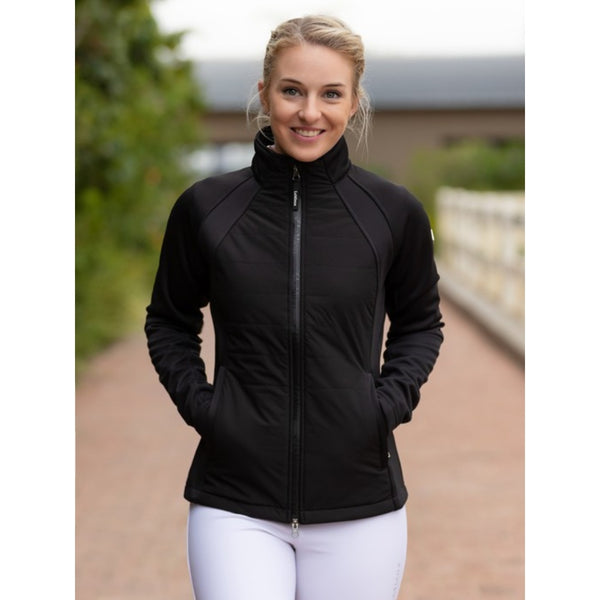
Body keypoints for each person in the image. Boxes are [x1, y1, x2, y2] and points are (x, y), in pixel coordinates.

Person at [145, 15, 444, 600]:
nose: (310, 113)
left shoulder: (392, 212)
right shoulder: (207, 208)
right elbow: (169, 322)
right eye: (292, 91)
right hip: (235, 502)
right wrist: (208, 410)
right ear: (265, 94)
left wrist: (382, 407)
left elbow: (419, 324)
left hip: (360, 503)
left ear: (354, 101)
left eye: (331, 94)